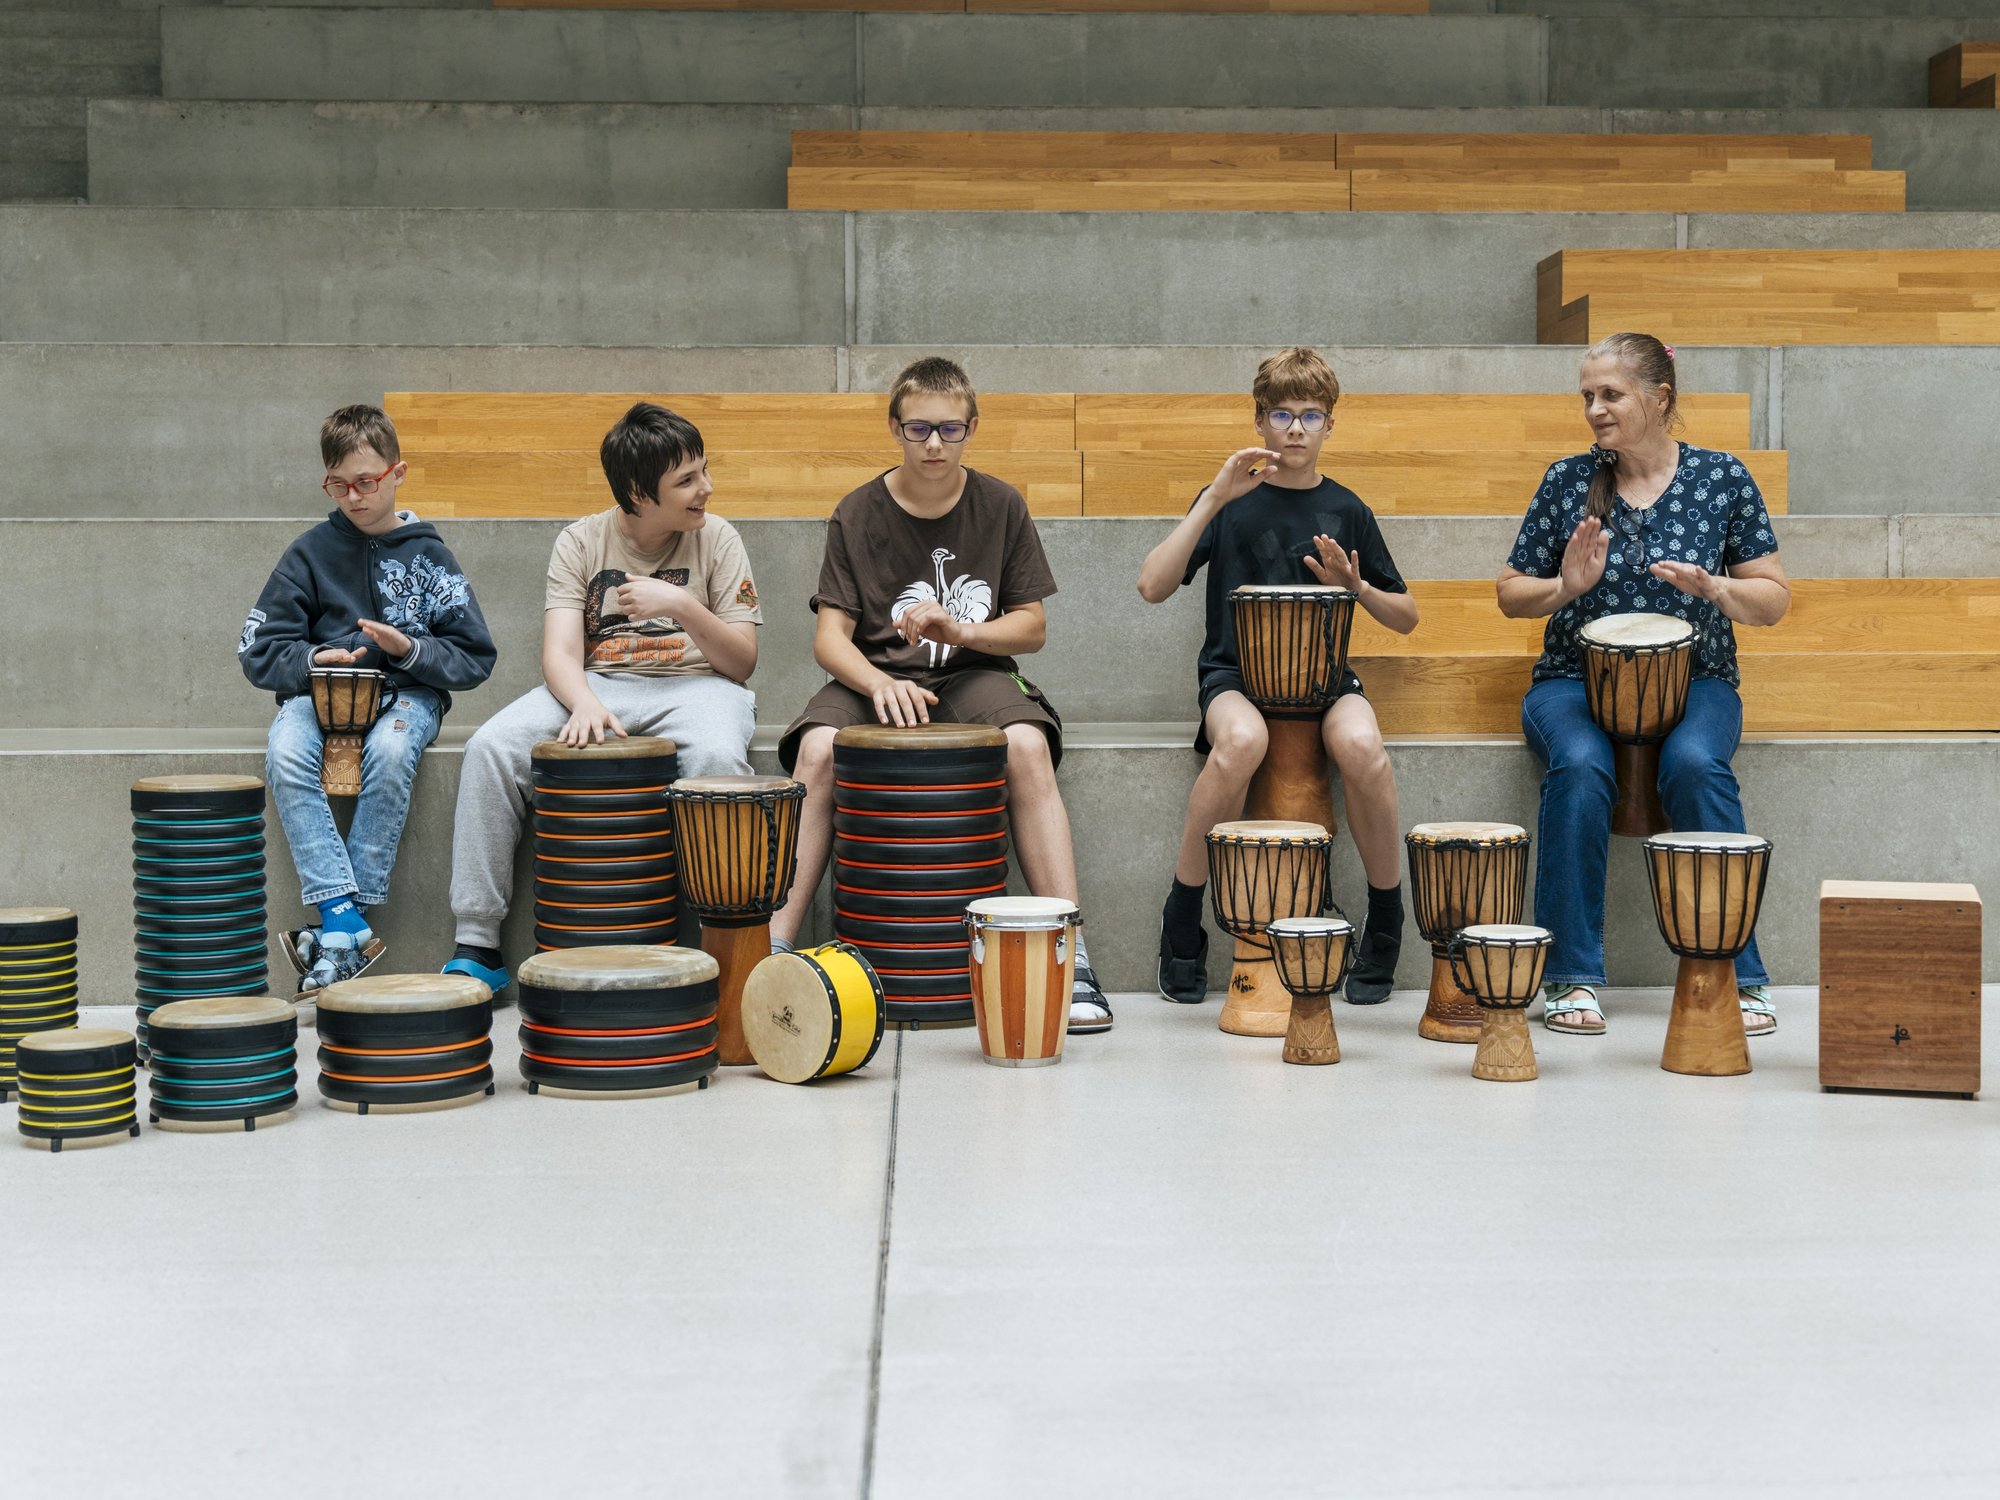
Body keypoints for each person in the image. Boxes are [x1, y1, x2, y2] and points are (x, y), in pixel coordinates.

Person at [768, 356, 1111, 1031]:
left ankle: (1072, 958)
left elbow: (1033, 628)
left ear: (972, 428)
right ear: (895, 427)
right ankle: (777, 948)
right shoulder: (856, 511)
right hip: (873, 675)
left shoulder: (1001, 504)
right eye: (919, 428)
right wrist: (876, 680)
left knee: (1026, 746)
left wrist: (962, 629)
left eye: (949, 430)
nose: (933, 445)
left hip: (971, 673)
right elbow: (829, 638)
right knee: (815, 751)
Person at [1496, 331, 1791, 1035]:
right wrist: (1565, 587)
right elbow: (1510, 594)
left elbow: (1774, 601)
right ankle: (1571, 978)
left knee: (1694, 763)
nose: (1595, 409)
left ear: (1659, 398)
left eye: (1611, 394)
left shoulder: (1722, 478)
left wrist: (1717, 588)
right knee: (1580, 764)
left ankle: (1735, 973)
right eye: (1588, 396)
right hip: (1573, 679)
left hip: (1699, 681)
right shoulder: (1567, 481)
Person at [442, 402, 762, 995]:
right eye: (687, 480)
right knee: (491, 747)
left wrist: (684, 607)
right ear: (640, 493)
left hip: (699, 687)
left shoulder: (718, 538)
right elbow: (560, 653)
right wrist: (585, 702)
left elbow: (741, 662)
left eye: (704, 471)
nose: (705, 489)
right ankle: (476, 941)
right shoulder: (580, 541)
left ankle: (727, 936)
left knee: (717, 761)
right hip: (599, 684)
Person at [1138, 347, 1419, 1007]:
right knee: (1241, 742)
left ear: (1330, 425)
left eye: (1311, 415)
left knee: (1364, 752)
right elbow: (1151, 584)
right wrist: (1212, 496)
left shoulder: (1348, 510)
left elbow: (1405, 616)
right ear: (1260, 421)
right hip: (1235, 676)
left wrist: (1357, 588)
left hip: (1324, 682)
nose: (1296, 429)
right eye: (1284, 415)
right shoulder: (1233, 503)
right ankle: (1183, 915)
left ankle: (1385, 917)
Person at [239, 404, 496, 996]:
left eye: (366, 483)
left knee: (391, 748)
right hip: (318, 694)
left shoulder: (431, 556)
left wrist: (409, 650)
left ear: (397, 472)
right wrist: (311, 660)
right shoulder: (307, 553)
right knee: (284, 749)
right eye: (339, 486)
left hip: (408, 695)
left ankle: (336, 925)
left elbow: (475, 656)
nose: (353, 498)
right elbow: (257, 648)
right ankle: (343, 919)